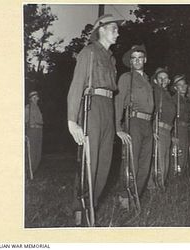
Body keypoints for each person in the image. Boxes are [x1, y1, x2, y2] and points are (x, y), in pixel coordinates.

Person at [67, 14, 123, 224]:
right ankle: (80, 207)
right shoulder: (88, 53)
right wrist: (72, 120)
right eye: (113, 29)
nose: (117, 33)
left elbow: (114, 93)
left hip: (108, 108)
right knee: (89, 161)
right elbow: (76, 86)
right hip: (92, 107)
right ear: (101, 29)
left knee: (105, 162)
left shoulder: (112, 59)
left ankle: (92, 203)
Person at [115, 44, 154, 209]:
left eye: (140, 57)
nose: (137, 61)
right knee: (131, 162)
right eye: (134, 58)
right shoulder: (126, 78)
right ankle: (124, 196)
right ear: (130, 62)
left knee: (145, 165)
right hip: (134, 122)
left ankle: (135, 195)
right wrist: (118, 127)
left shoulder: (147, 80)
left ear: (145, 59)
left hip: (147, 124)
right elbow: (118, 102)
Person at [147, 67, 176, 189]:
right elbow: (151, 111)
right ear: (155, 81)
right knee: (159, 159)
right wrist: (152, 129)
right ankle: (154, 187)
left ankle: (160, 185)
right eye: (160, 78)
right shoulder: (155, 92)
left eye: (165, 78)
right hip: (158, 128)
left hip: (167, 130)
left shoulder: (167, 94)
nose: (163, 80)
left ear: (169, 81)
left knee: (165, 159)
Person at [172, 75, 190, 174]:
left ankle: (180, 177)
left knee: (184, 154)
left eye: (184, 84)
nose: (183, 87)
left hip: (184, 130)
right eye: (180, 85)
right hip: (178, 130)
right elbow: (172, 117)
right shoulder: (175, 99)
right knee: (178, 154)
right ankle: (175, 177)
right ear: (175, 88)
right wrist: (173, 135)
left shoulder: (185, 100)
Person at [25, 91, 43, 175]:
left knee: (38, 152)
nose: (38, 99)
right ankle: (30, 173)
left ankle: (33, 171)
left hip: (39, 131)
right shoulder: (27, 108)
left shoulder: (38, 108)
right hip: (32, 131)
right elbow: (24, 121)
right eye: (36, 97)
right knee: (31, 152)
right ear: (32, 98)